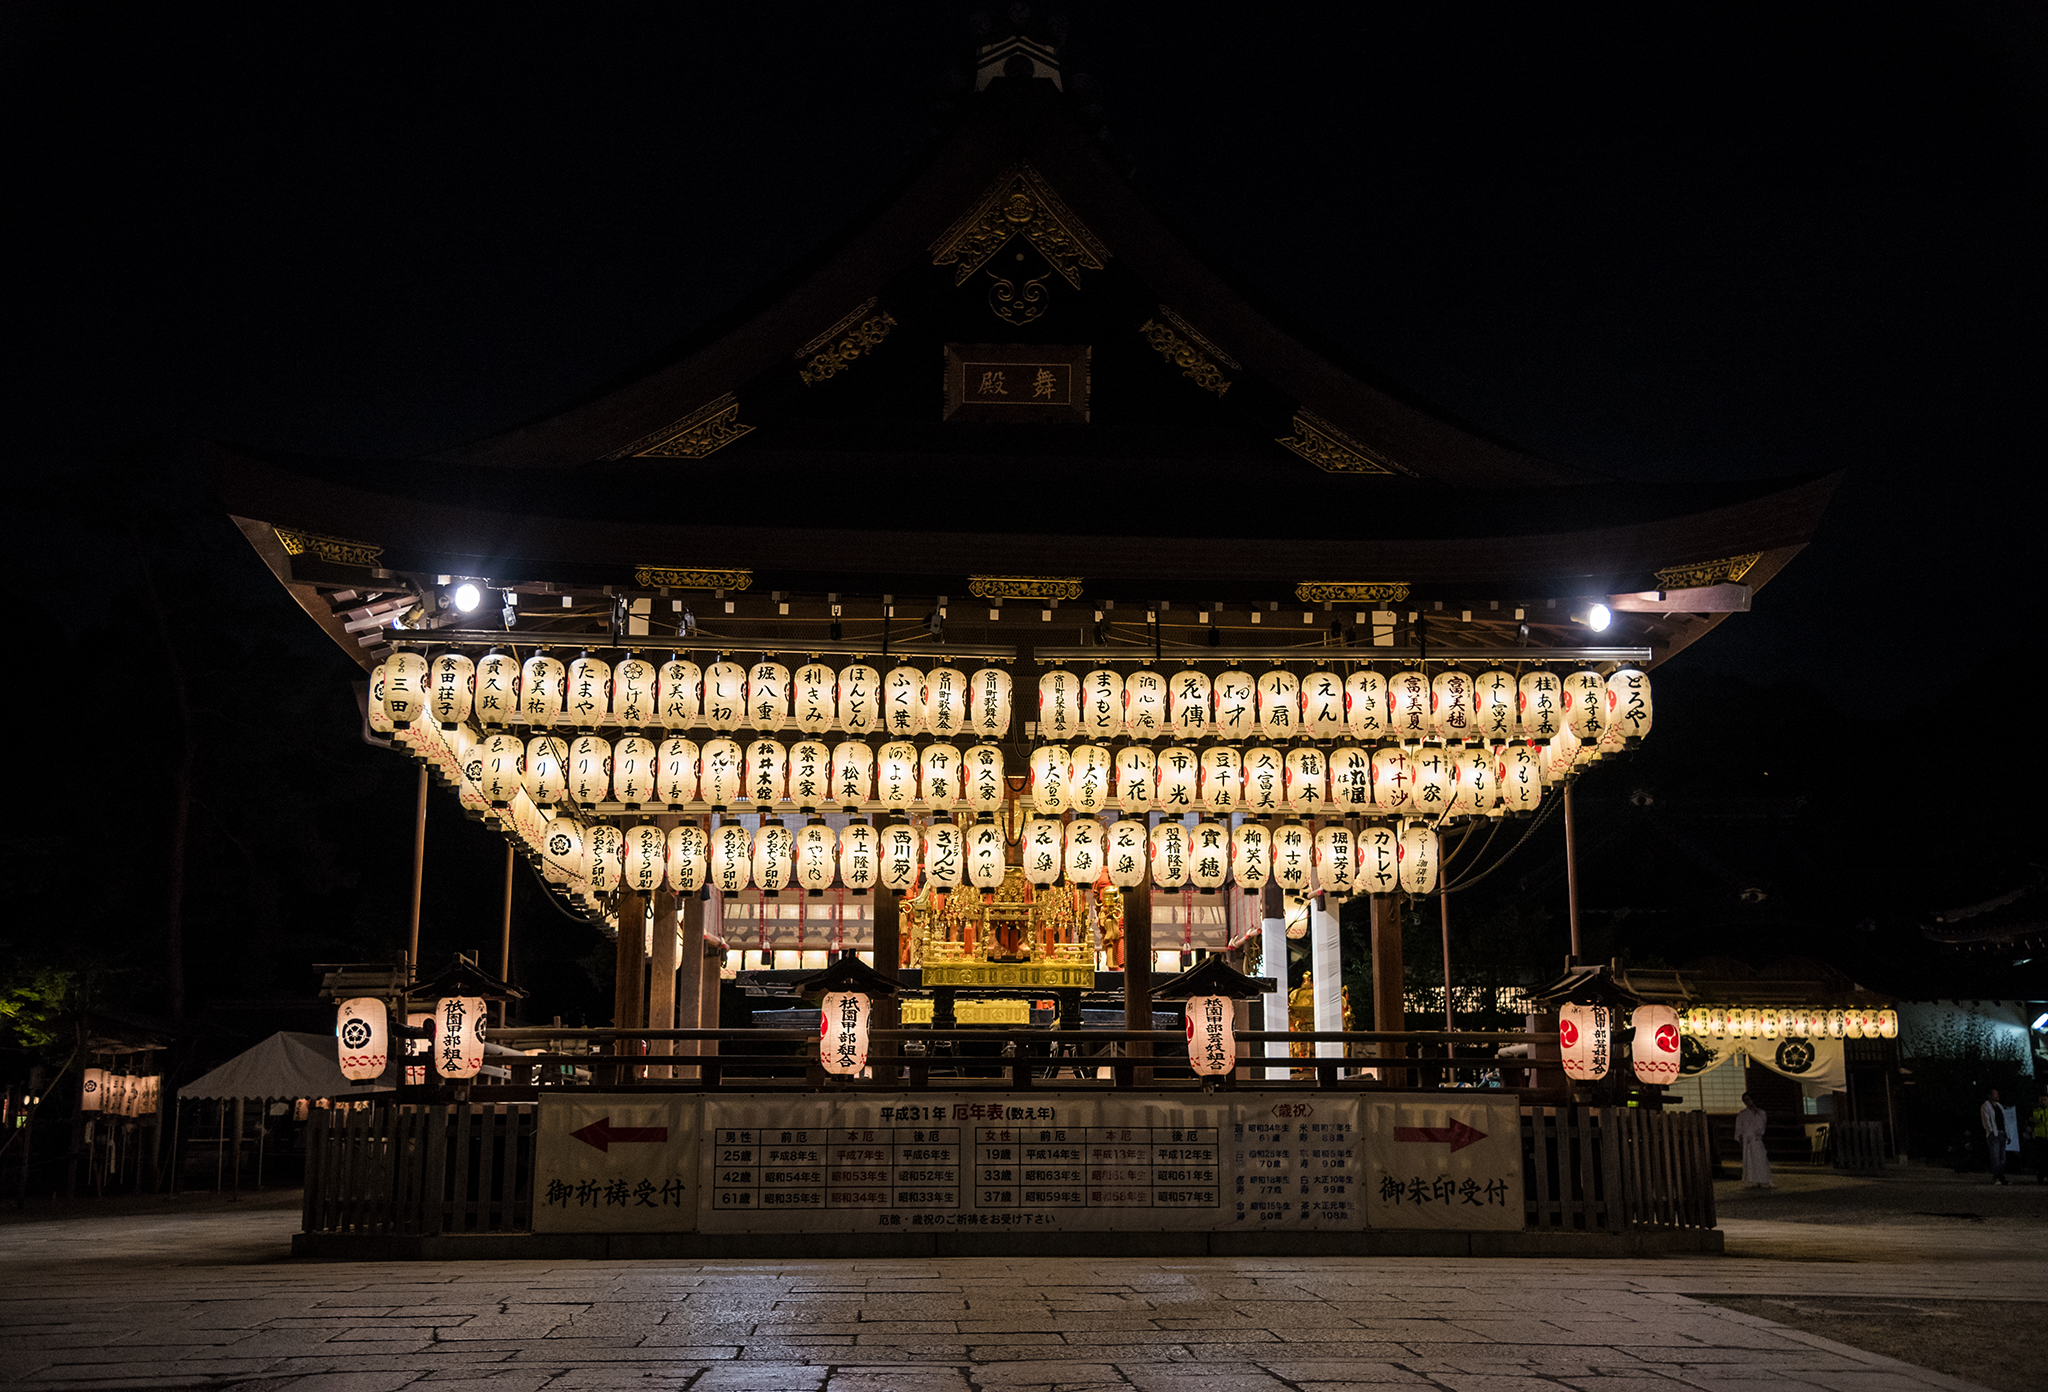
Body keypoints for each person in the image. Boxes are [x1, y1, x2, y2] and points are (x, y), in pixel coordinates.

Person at [1734, 1092, 1772, 1187]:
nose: (1747, 1102)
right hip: (1747, 1140)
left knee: (1760, 1159)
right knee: (1749, 1161)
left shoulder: (1761, 1113)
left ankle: (1763, 1180)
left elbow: (1762, 1127)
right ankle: (1752, 1181)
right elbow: (1739, 1130)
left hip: (1757, 1139)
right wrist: (1741, 1141)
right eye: (1745, 1100)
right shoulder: (1742, 1115)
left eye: (1748, 1099)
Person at [1980, 1088, 2008, 1185]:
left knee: (2002, 1158)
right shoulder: (1985, 1106)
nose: (1997, 1095)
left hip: (2001, 1133)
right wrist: (1991, 1130)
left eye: (1997, 1094)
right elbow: (1986, 1120)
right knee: (1995, 1157)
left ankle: (2001, 1176)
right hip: (1994, 1134)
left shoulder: (1999, 1106)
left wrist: (2006, 1133)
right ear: (1990, 1096)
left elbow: (2004, 1121)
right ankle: (1997, 1177)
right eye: (1995, 1094)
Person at [2030, 1091, 2048, 1186]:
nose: (2043, 1101)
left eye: (2045, 1099)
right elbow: (2034, 1122)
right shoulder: (2036, 1111)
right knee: (2041, 1159)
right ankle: (2040, 1177)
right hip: (2040, 1138)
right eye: (2041, 1100)